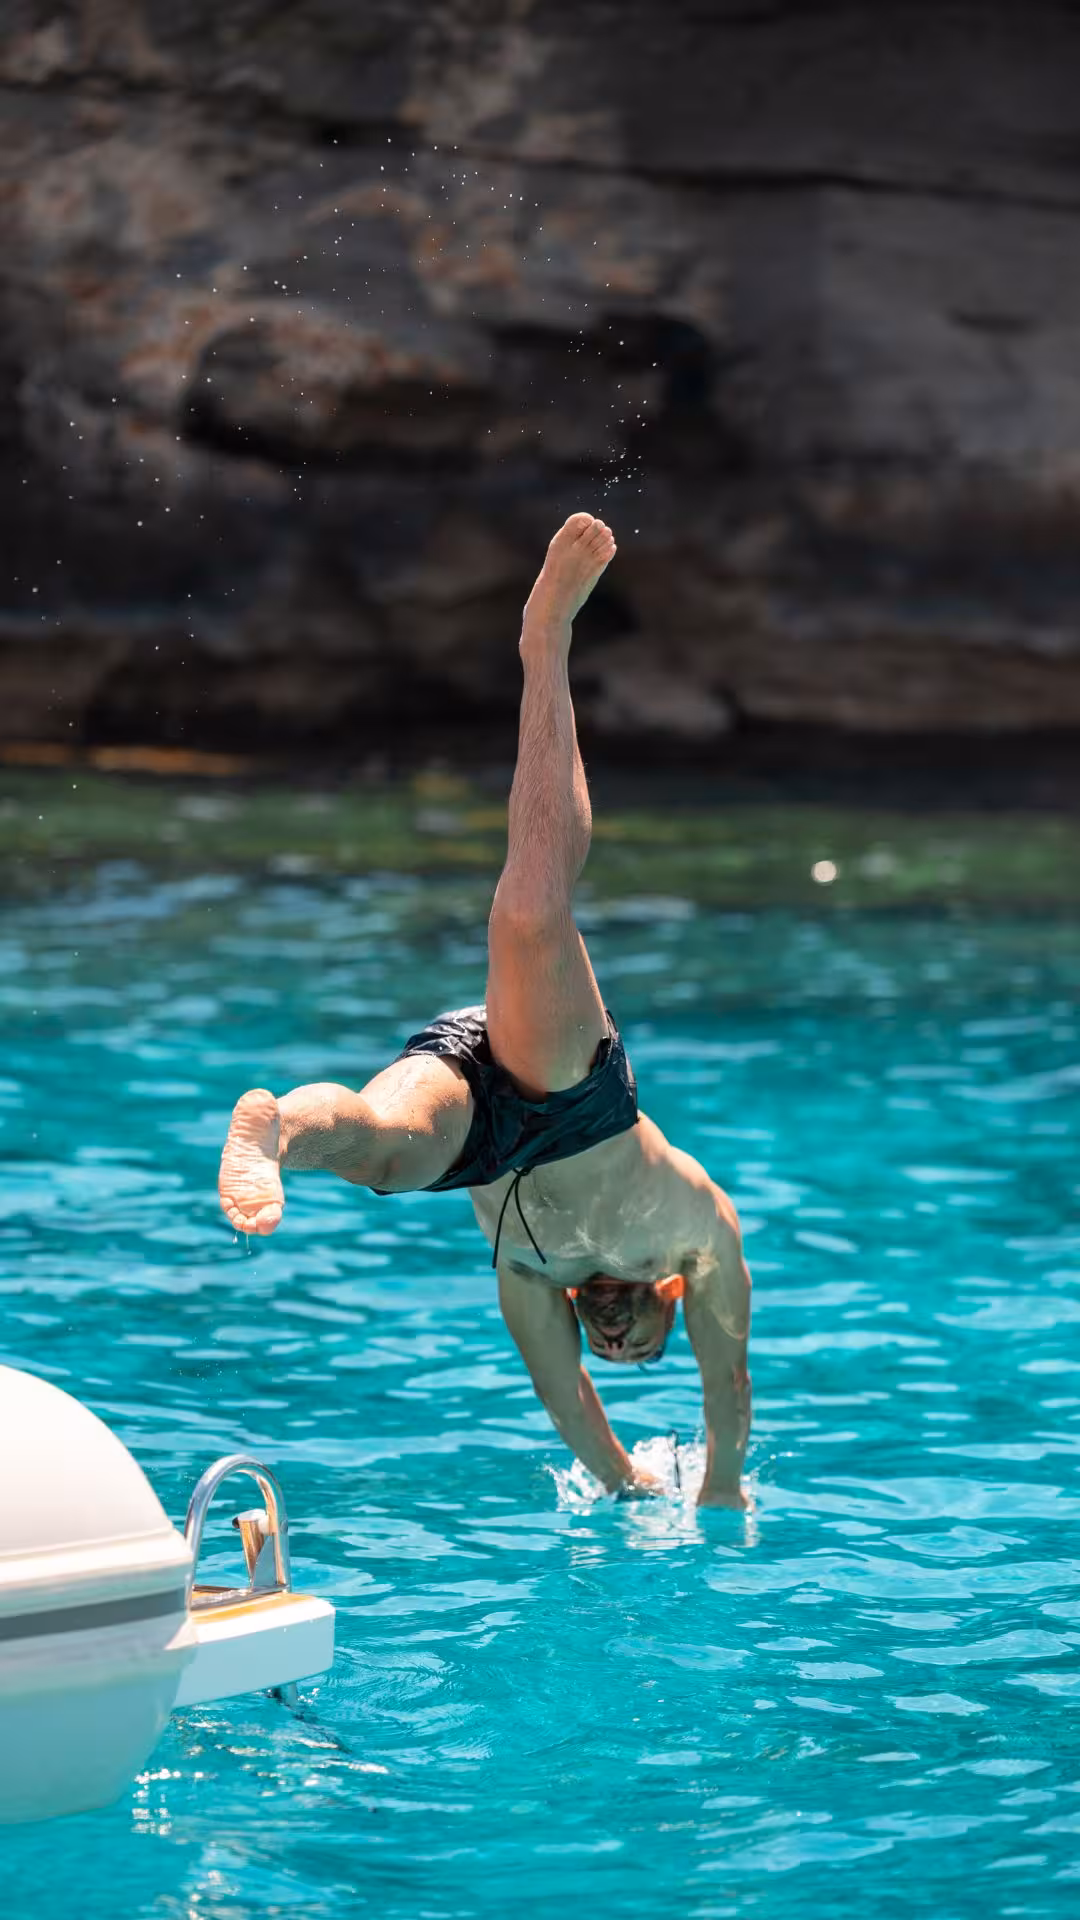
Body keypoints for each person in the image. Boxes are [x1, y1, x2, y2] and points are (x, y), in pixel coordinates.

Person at [218, 514, 752, 1507]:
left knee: (380, 1151)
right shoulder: (700, 1237)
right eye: (645, 1346)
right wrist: (719, 1484)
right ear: (670, 1299)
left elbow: (565, 1397)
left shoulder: (529, 1282)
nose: (619, 1346)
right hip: (575, 1100)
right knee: (531, 906)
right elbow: (727, 1382)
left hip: (484, 1138)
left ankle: (276, 1129)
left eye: (619, 1355)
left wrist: (633, 1487)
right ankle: (542, 640)